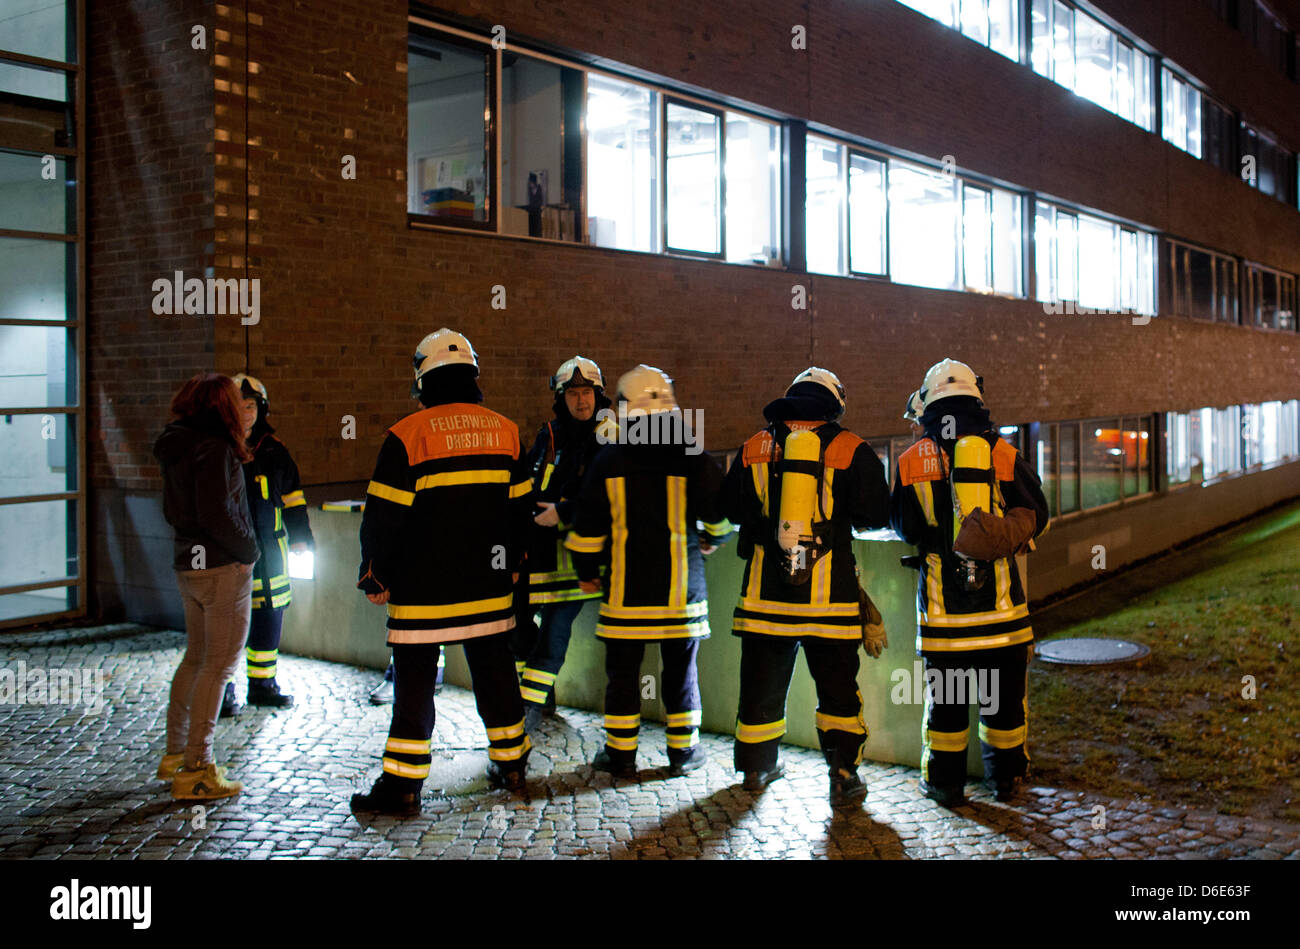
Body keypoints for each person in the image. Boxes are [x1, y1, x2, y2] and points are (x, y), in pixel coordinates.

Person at [350, 329, 534, 817]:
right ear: (473, 375)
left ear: (422, 380)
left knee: (414, 684)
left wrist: (375, 574)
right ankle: (512, 762)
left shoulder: (406, 437)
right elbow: (521, 514)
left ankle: (403, 787)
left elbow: (383, 517)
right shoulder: (507, 431)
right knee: (495, 674)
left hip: (422, 592)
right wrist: (514, 566)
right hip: (489, 589)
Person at [718, 368, 891, 806]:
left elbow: (729, 509)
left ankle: (757, 770)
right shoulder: (851, 447)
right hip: (829, 603)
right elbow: (876, 514)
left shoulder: (754, 446)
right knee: (836, 690)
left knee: (760, 685)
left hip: (764, 600)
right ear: (834, 403)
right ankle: (843, 775)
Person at [889, 358, 1048, 807]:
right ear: (977, 398)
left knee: (947, 710)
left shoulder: (909, 461)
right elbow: (1040, 516)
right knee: (1004, 708)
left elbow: (905, 529)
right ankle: (1008, 781)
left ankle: (945, 785)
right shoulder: (1002, 453)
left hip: (945, 622)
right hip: (1003, 617)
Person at [564, 365, 731, 778]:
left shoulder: (609, 458)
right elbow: (720, 517)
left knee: (622, 678)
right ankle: (684, 754)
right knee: (680, 674)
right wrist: (712, 539)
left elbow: (586, 527)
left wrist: (587, 570)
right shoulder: (691, 453)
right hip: (682, 598)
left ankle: (621, 756)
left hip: (626, 597)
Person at [153, 373, 260, 800]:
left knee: (196, 659)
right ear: (222, 406)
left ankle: (175, 755)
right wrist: (248, 551)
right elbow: (219, 512)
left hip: (189, 563)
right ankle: (197, 768)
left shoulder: (176, 444)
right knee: (218, 666)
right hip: (221, 567)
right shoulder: (214, 447)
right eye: (236, 401)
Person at [516, 356, 611, 731]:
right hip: (539, 552)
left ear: (598, 395)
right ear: (561, 397)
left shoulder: (610, 434)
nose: (581, 401)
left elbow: (609, 496)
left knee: (553, 633)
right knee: (518, 624)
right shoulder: (549, 434)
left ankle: (526, 710)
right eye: (573, 393)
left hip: (580, 555)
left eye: (587, 392)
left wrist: (565, 512)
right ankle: (541, 696)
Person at [213, 373, 313, 716]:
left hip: (271, 554)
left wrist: (301, 539)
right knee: (227, 624)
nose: (246, 413)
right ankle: (224, 691)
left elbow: (294, 499)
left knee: (269, 615)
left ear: (262, 408)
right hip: (230, 557)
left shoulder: (273, 450)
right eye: (238, 407)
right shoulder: (217, 449)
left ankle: (262, 685)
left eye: (251, 406)